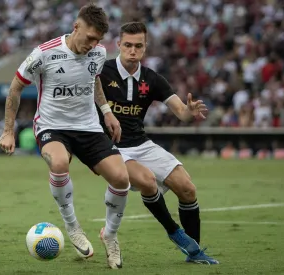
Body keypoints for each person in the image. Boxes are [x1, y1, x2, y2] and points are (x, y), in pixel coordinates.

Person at [0, 4, 129, 269]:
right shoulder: (44, 54)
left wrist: (107, 112)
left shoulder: (99, 53)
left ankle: (110, 236)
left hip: (89, 127)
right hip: (52, 127)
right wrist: (8, 131)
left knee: (122, 178)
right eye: (89, 38)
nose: (93, 45)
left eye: (98, 40)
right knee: (59, 163)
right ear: (75, 27)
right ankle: (72, 226)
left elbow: (95, 80)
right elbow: (15, 88)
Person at [98, 22, 219, 265]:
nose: (133, 50)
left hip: (141, 143)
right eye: (128, 45)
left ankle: (193, 250)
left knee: (187, 188)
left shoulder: (152, 78)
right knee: (147, 181)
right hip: (110, 147)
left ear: (145, 48)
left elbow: (181, 113)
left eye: (138, 46)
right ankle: (175, 232)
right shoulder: (101, 71)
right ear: (118, 45)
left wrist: (189, 111)